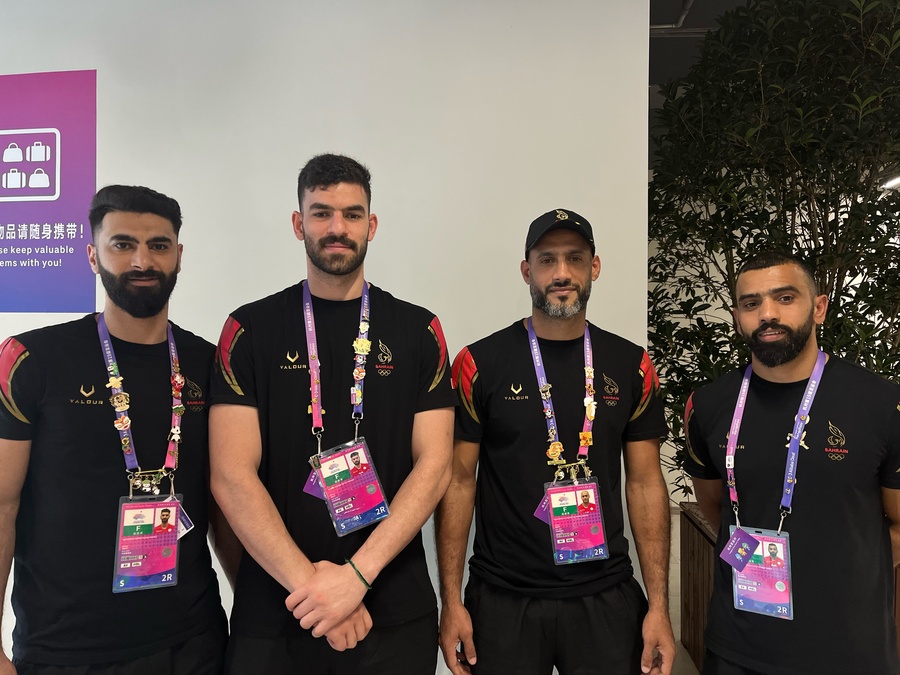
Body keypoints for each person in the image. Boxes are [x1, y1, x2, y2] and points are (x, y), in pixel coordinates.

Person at [209, 153, 455, 674]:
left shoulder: (419, 331)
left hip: (393, 606)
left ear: (372, 224)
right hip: (280, 609)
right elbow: (231, 475)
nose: (336, 227)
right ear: (299, 224)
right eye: (321, 213)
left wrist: (356, 579)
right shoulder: (248, 331)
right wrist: (314, 588)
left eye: (351, 213)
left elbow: (435, 467)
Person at [0, 185, 240, 674]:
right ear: (92, 255)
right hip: (65, 650)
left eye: (158, 245)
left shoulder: (208, 363)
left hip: (192, 643)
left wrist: (257, 613)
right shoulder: (33, 361)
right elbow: (2, 504)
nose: (141, 261)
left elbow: (224, 503)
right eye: (122, 244)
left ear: (178, 255)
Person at [436, 209, 675, 675]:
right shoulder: (477, 363)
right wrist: (452, 601)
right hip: (504, 600)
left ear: (595, 267)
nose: (561, 273)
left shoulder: (632, 365)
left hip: (604, 596)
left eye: (575, 258)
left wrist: (659, 607)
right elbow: (458, 481)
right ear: (527, 271)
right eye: (547, 260)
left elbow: (646, 483)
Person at [684, 250, 900, 675]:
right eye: (751, 303)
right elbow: (715, 508)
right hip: (737, 648)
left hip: (849, 649)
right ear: (737, 316)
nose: (767, 314)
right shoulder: (707, 406)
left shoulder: (880, 404)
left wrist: (843, 568)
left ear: (819, 307)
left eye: (785, 297)